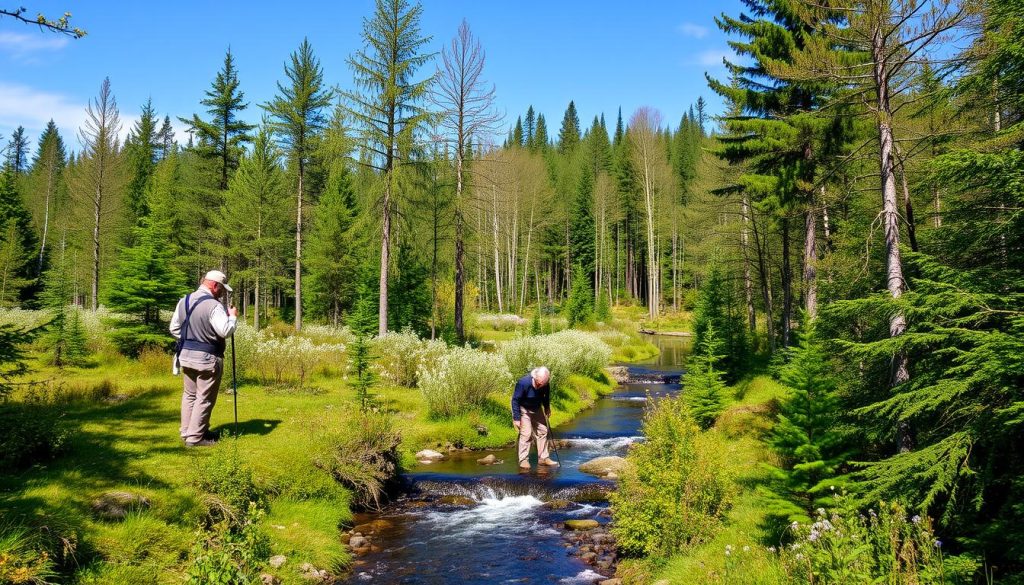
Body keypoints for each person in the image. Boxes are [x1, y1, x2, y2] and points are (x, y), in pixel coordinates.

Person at [170, 270, 238, 447]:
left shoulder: (184, 301)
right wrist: (232, 318)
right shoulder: (213, 306)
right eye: (222, 288)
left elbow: (174, 329)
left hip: (186, 356)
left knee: (189, 395)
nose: (223, 293)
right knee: (204, 397)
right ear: (215, 285)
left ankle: (188, 431)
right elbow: (225, 331)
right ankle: (196, 438)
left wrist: (192, 340)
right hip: (208, 358)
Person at [511, 366, 558, 469]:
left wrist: (547, 408)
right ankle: (523, 460)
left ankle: (543, 458)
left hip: (537, 408)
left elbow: (546, 396)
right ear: (535, 377)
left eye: (543, 384)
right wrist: (517, 418)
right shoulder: (523, 383)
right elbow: (515, 400)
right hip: (524, 409)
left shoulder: (545, 384)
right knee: (526, 434)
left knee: (543, 430)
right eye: (538, 383)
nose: (540, 386)